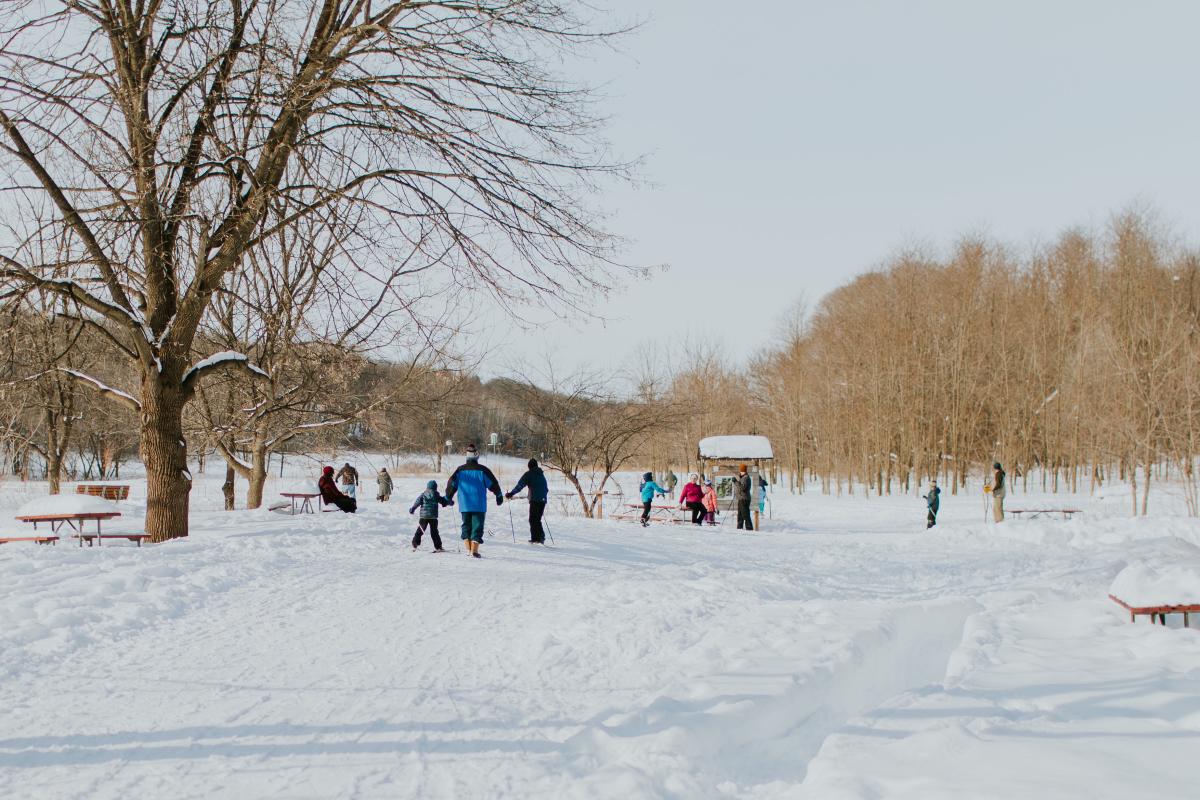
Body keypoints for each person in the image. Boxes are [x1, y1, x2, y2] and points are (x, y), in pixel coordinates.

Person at [446, 442, 503, 558]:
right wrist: (499, 495)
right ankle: (474, 551)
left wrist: (448, 497)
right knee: (477, 527)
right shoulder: (483, 470)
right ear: (476, 456)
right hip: (479, 505)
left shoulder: (460, 470)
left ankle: (468, 549)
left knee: (466, 525)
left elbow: (452, 484)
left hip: (465, 504)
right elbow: (493, 484)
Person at [506, 458, 549, 544]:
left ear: (529, 466)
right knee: (537, 519)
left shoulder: (529, 474)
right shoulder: (541, 474)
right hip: (543, 500)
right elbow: (546, 488)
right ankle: (540, 537)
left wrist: (511, 494)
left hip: (535, 499)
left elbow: (520, 485)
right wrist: (542, 496)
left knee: (533, 519)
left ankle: (536, 538)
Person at [409, 479, 452, 551]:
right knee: (434, 532)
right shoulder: (436, 495)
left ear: (427, 487)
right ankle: (438, 547)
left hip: (424, 517)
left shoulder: (423, 495)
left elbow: (417, 502)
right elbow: (443, 502)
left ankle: (415, 543)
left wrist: (413, 508)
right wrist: (449, 502)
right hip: (433, 517)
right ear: (435, 487)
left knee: (421, 530)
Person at [734, 464, 754, 531]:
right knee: (740, 515)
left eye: (741, 471)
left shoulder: (746, 478)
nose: (740, 472)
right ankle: (739, 528)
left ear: (744, 471)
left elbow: (742, 488)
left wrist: (736, 482)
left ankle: (749, 528)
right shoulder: (743, 478)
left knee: (745, 514)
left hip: (744, 499)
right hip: (741, 498)